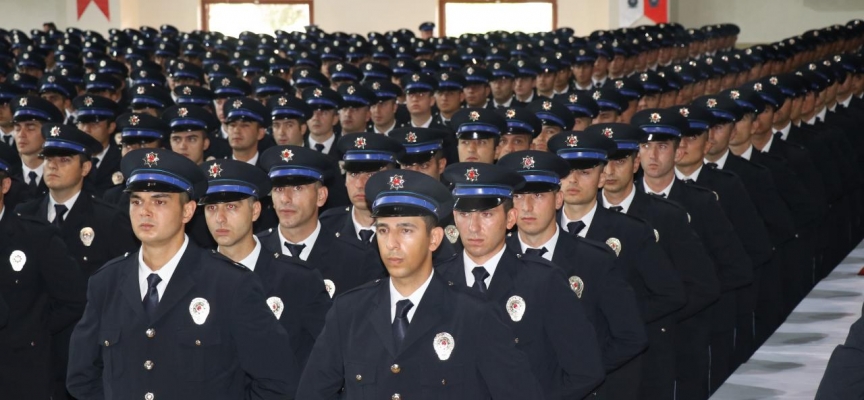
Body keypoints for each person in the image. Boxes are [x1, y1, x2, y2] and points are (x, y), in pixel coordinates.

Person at [67, 148, 300, 399]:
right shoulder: (107, 283)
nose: (144, 211)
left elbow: (277, 381)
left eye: (159, 201)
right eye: (136, 201)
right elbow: (82, 377)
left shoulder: (229, 284)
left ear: (187, 211)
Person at [296, 169, 545, 399]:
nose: (392, 243)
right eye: (383, 231)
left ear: (434, 238)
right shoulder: (349, 312)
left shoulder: (474, 315)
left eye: (406, 231)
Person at [436, 162, 605, 399]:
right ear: (454, 216)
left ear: (510, 218)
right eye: (464, 214)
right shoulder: (438, 281)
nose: (473, 227)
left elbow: (586, 370)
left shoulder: (542, 281)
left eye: (486, 214)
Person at [547, 129, 686, 400]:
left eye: (585, 172)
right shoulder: (538, 232)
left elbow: (670, 294)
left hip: (608, 369)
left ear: (601, 177)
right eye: (565, 173)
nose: (573, 180)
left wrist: (615, 320)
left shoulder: (630, 232)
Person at [499, 149, 648, 400]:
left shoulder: (593, 261)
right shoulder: (497, 262)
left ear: (558, 200)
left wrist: (581, 371)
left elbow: (631, 336)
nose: (527, 206)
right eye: (518, 196)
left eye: (538, 195)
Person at [633, 107, 753, 394]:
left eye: (662, 147)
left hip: (689, 327)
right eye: (646, 146)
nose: (653, 155)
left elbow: (736, 268)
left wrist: (685, 304)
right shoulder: (624, 205)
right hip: (638, 335)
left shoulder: (701, 203)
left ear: (677, 152)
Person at [599, 121, 721, 400]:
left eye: (619, 161)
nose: (610, 170)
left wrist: (649, 321)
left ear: (635, 163)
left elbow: (703, 286)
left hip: (653, 343)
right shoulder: (578, 222)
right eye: (603, 163)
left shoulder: (666, 216)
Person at [199, 158, 331, 371]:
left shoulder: (299, 280)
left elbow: (326, 360)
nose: (220, 218)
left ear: (255, 211)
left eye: (231, 207)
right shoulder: (193, 278)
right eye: (211, 208)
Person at [0, 150, 86, 400]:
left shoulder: (35, 236)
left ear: (5, 185)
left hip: (19, 373)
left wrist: (33, 330)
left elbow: (75, 299)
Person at [257, 145, 386, 297]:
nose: (285, 198)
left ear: (321, 196)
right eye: (278, 189)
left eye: (298, 188)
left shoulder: (356, 259)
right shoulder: (255, 252)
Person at [11, 95, 65, 202]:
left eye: (30, 128)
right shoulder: (8, 175)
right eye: (17, 128)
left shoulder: (61, 175)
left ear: (47, 134)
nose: (21, 134)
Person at [73, 94, 121, 197]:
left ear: (111, 127)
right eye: (82, 123)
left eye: (94, 124)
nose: (86, 129)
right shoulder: (69, 160)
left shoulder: (121, 161)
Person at [301, 86, 343, 160]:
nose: (316, 118)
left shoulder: (343, 151)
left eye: (324, 113)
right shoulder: (298, 149)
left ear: (335, 119)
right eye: (312, 112)